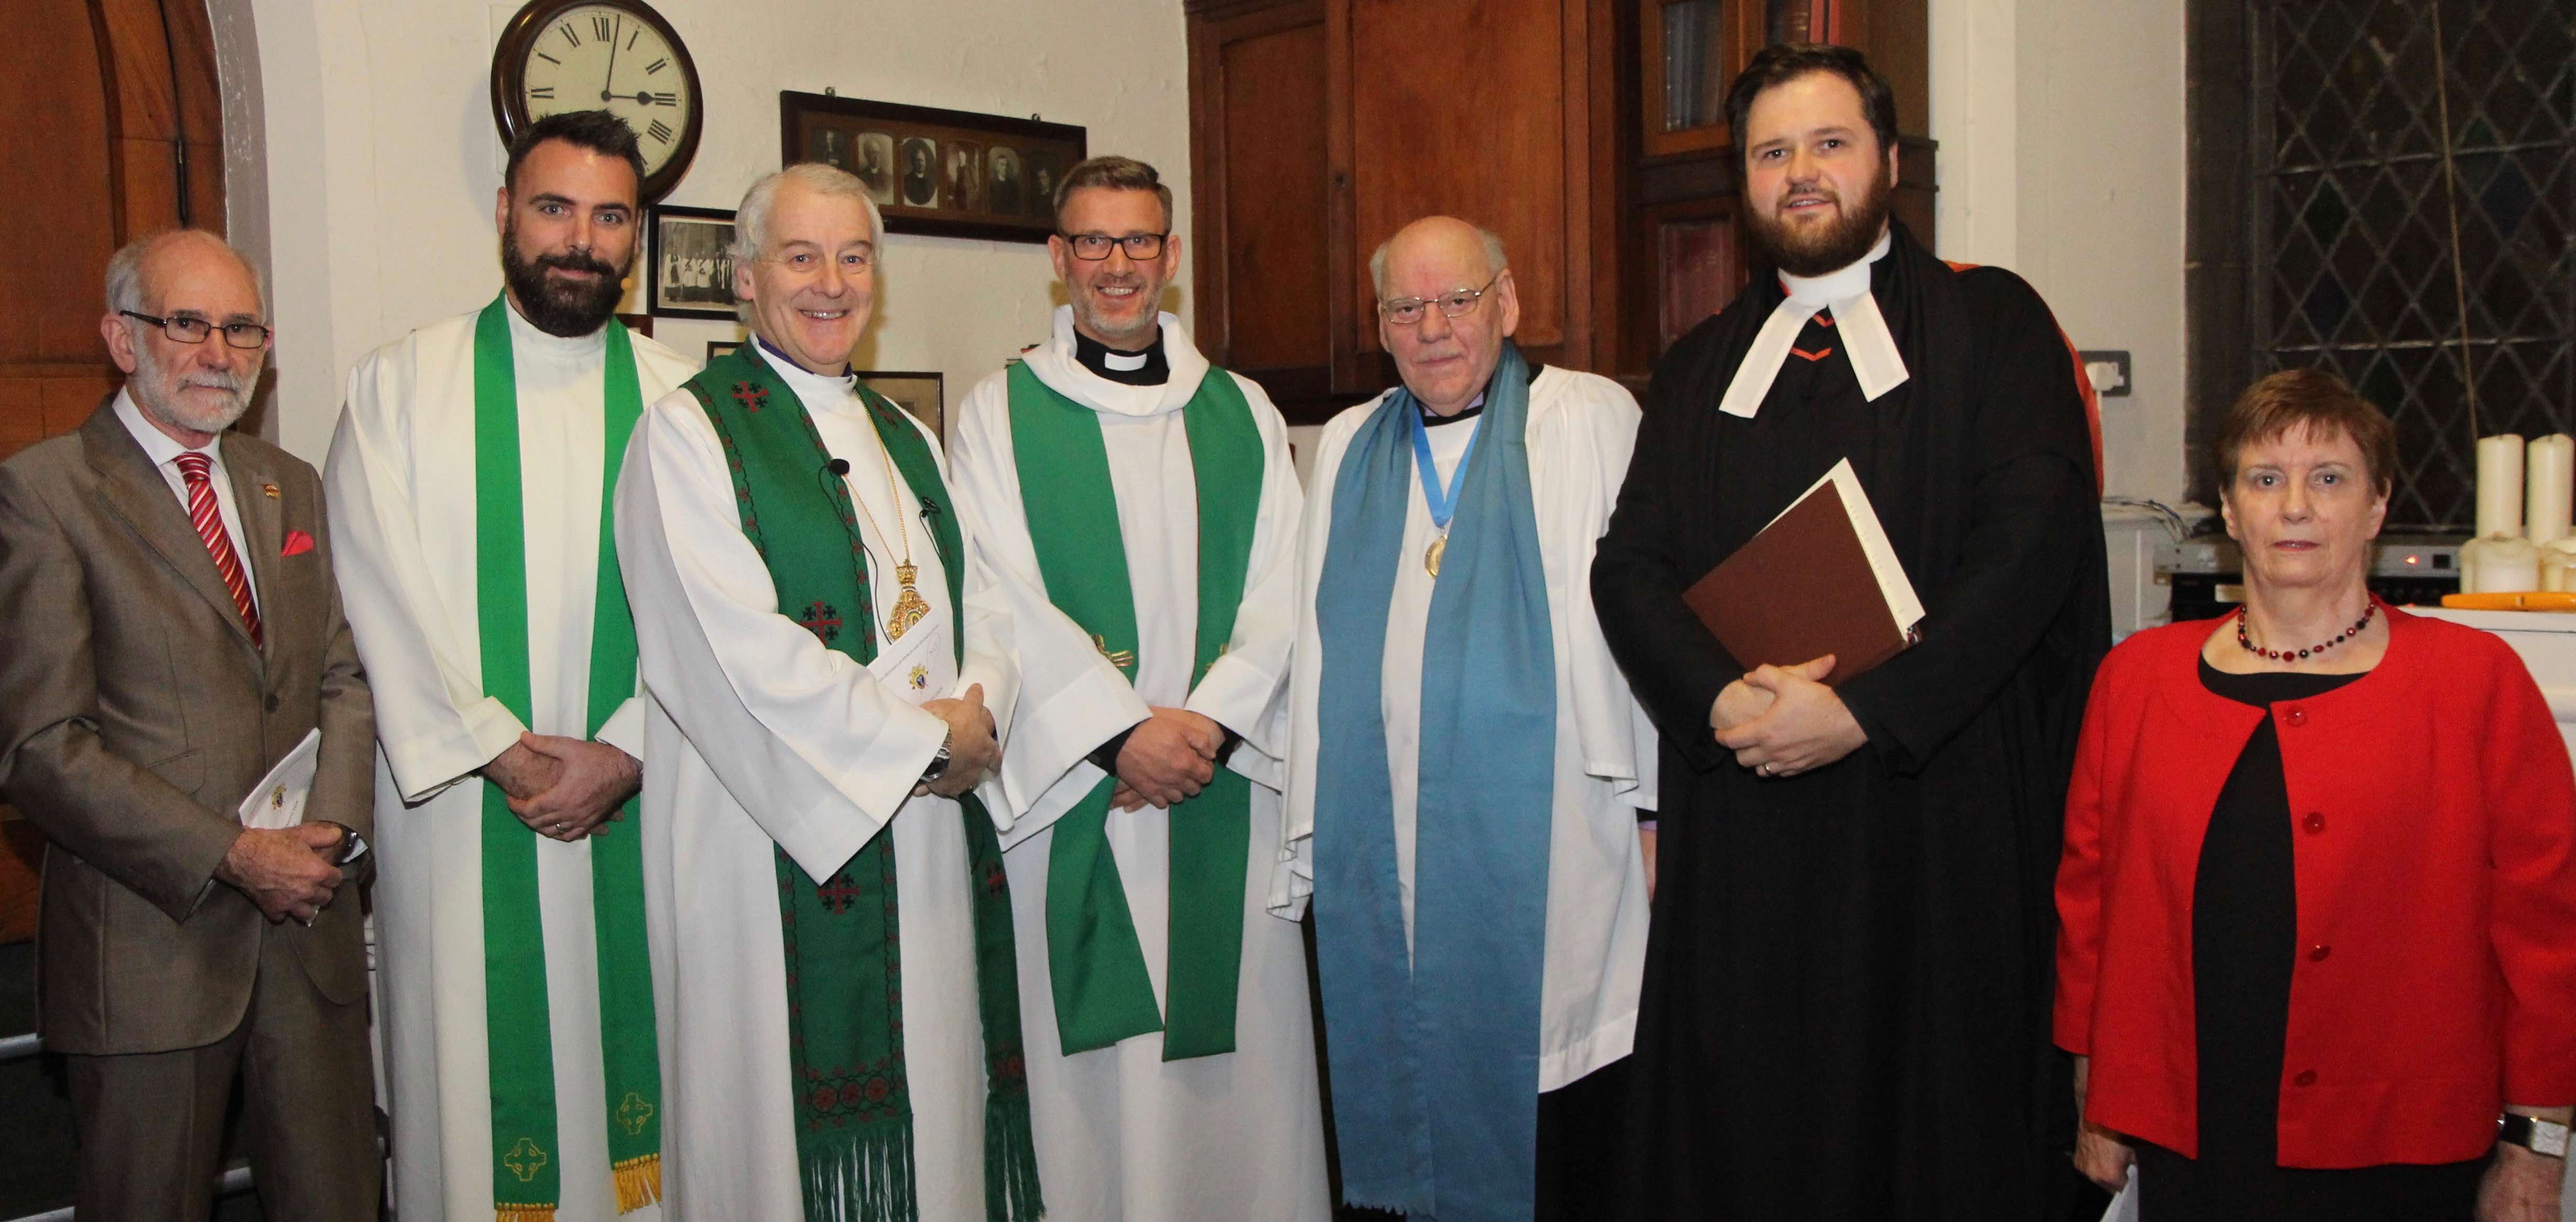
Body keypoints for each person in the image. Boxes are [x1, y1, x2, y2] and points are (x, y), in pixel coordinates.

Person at [1589, 43, 2111, 1220]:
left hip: (1939, 819)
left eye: (1828, 144)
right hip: (1751, 826)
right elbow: (1630, 569)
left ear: (1886, 160)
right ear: (1746, 182)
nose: (1801, 173)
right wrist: (1722, 705)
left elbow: (2033, 543)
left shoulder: (1994, 322)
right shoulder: (1694, 367)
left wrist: (1869, 712)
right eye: (1772, 153)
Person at [613, 161, 1044, 1221]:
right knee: (773, 1156)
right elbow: (730, 652)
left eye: (854, 258)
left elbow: (985, 596)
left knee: (937, 1122)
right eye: (800, 256)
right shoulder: (686, 433)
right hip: (762, 862)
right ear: (746, 279)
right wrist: (921, 740)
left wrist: (979, 705)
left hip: (929, 847)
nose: (830, 283)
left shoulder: (909, 438)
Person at [2057, 369, 2576, 1221]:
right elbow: (2090, 907)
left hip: (2402, 1140)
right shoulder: (2136, 680)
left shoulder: (2475, 682)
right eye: (2266, 479)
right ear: (2229, 511)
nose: (2295, 505)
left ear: (2376, 509)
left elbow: (2548, 937)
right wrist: (2099, 1096)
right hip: (2192, 1129)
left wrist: (2538, 1149)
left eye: (2329, 478)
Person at [324, 110, 699, 1221]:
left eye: (609, 215)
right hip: (462, 831)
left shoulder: (690, 401)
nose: (579, 239)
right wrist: (508, 754)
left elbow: (729, 614)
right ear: (503, 213)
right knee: (474, 1117)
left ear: (637, 235)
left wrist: (626, 749)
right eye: (553, 208)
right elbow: (375, 588)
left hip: (648, 814)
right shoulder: (401, 385)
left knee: (668, 1101)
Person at [949, 155, 1330, 1221]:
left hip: (1218, 789)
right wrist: (1119, 739)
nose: (1117, 267)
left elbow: (1285, 588)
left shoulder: (1242, 411)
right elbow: (996, 596)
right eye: (1092, 243)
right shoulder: (997, 413)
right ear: (1057, 259)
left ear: (1171, 258)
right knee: (1097, 1106)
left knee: (1240, 1095)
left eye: (1139, 242)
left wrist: (1201, 725)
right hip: (1085, 798)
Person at [1280, 215, 1656, 1222]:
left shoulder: (1584, 418)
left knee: (1552, 1097)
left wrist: (1659, 812)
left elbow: (1650, 620)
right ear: (1381, 323)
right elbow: (1314, 644)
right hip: (1387, 834)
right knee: (1402, 1062)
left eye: (1459, 299)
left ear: (1510, 303)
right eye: (1407, 306)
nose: (1433, 327)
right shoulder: (1355, 443)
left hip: (1558, 834)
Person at [0, 229, 379, 1219]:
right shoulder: (46, 493)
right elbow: (41, 749)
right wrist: (232, 853)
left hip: (309, 937)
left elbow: (341, 672)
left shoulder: (287, 481)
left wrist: (331, 833)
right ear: (122, 340)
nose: (221, 352)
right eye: (189, 324)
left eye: (243, 327)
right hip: (149, 954)